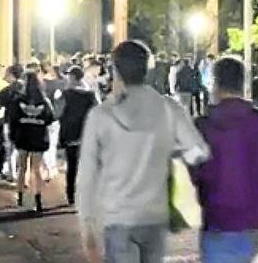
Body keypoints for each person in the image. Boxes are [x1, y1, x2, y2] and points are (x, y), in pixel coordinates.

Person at [78, 41, 210, 263]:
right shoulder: (168, 108)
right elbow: (198, 151)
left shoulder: (101, 115)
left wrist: (87, 226)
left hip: (117, 214)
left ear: (115, 70)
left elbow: (87, 176)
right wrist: (172, 152)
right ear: (148, 68)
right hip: (154, 213)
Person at [192, 56, 258, 263]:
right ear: (242, 83)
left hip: (216, 218)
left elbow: (192, 172)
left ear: (215, 83)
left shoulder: (203, 126)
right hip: (252, 219)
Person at [4, 71, 54, 212]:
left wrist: (12, 135)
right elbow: (50, 118)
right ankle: (38, 199)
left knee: (22, 168)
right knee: (36, 170)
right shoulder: (44, 101)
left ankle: (20, 197)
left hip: (23, 136)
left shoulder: (18, 100)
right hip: (38, 137)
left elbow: (12, 119)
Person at [58, 65, 98, 206]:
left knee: (72, 166)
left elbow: (59, 114)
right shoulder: (90, 95)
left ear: (73, 78)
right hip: (86, 134)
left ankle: (71, 195)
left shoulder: (67, 95)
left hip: (71, 135)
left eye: (69, 76)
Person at [0, 64, 25, 182]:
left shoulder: (8, 89)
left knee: (10, 150)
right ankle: (24, 175)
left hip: (10, 121)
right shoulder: (28, 88)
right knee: (24, 149)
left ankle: (12, 175)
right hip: (25, 121)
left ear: (12, 75)